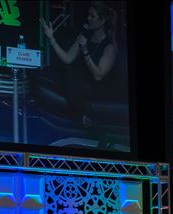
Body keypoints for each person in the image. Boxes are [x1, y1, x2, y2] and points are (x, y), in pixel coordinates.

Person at [40, 1, 117, 148]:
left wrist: (85, 50)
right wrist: (51, 38)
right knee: (64, 71)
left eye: (93, 16)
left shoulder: (109, 46)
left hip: (97, 88)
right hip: (79, 85)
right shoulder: (84, 36)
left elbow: (98, 75)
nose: (88, 18)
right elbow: (67, 58)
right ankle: (85, 116)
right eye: (88, 14)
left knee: (72, 77)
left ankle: (92, 123)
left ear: (102, 20)